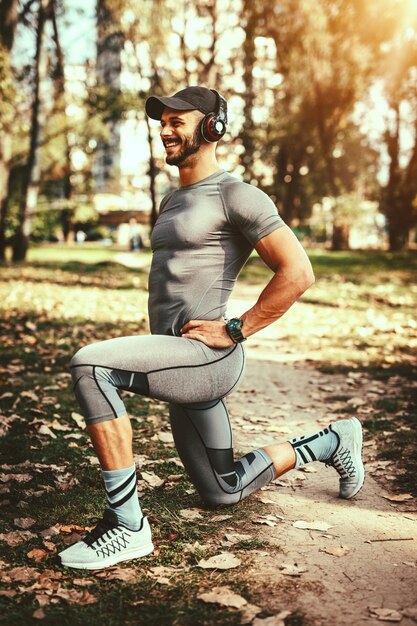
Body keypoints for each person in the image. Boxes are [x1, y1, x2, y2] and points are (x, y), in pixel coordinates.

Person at [59, 86, 365, 570]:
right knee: (223, 490)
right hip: (177, 357)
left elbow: (298, 272)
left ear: (212, 126)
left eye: (177, 121)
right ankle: (332, 441)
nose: (165, 129)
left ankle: (127, 526)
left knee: (90, 365)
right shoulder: (172, 199)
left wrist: (237, 329)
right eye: (162, 121)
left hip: (207, 358)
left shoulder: (235, 195)